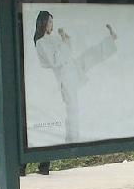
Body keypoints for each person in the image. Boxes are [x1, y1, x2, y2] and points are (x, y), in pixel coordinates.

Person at [34, 11, 117, 143]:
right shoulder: (41, 43)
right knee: (72, 107)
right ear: (43, 23)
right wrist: (64, 42)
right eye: (49, 21)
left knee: (89, 55)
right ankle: (73, 138)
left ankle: (110, 40)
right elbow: (54, 61)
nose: (51, 24)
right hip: (64, 76)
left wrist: (65, 40)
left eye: (51, 21)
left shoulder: (54, 38)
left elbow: (67, 52)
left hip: (71, 68)